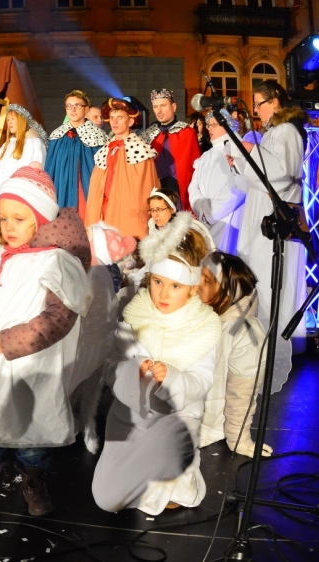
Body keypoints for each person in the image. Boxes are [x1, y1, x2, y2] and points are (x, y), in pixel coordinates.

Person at [0, 167, 92, 519]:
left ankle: (33, 480)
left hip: (34, 362)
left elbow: (60, 315)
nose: (9, 227)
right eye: (4, 219)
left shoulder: (55, 261)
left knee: (33, 425)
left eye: (19, 219)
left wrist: (12, 340)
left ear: (39, 219)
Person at [92, 214, 220, 515]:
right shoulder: (135, 314)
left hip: (177, 413)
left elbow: (201, 381)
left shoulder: (204, 327)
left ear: (192, 288)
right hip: (133, 411)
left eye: (175, 286)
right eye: (158, 281)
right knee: (108, 498)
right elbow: (111, 364)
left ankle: (177, 479)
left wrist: (171, 378)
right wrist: (130, 371)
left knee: (169, 475)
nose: (162, 293)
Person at [231, 81, 307, 351]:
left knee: (273, 279)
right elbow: (257, 179)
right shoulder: (272, 133)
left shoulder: (287, 131)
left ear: (275, 102)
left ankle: (277, 345)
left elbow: (283, 173)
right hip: (259, 214)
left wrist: (251, 152)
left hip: (275, 220)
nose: (256, 110)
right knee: (258, 275)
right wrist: (240, 165)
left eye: (259, 104)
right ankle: (261, 341)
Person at [198, 251, 284, 457]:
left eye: (207, 280)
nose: (197, 284)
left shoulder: (244, 332)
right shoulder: (201, 315)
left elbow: (242, 392)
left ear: (228, 292)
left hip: (204, 427)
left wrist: (239, 440)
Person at [85, 98, 160, 239]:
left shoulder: (140, 151)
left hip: (126, 211)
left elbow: (145, 189)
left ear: (130, 122)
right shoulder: (105, 150)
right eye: (112, 118)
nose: (114, 122)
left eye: (120, 117)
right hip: (104, 209)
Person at [188, 111, 247, 254]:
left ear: (227, 125)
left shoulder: (238, 150)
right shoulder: (206, 155)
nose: (209, 128)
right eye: (208, 125)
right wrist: (200, 207)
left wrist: (212, 211)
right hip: (205, 218)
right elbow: (193, 186)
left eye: (214, 124)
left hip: (229, 217)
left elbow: (241, 186)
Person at [44, 91, 107, 218]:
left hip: (87, 189)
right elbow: (50, 168)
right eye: (69, 106)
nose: (73, 109)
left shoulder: (98, 136)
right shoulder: (57, 135)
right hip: (62, 188)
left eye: (77, 105)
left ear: (86, 109)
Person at [144, 89, 201, 211]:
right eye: (155, 107)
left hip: (179, 190)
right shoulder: (148, 134)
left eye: (163, 105)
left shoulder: (187, 133)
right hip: (156, 188)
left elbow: (195, 167)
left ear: (174, 107)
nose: (159, 110)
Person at [0, 104, 47, 199]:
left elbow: (37, 171)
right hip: (2, 196)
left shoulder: (34, 142)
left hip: (23, 196)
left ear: (21, 120)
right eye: (8, 120)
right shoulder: (6, 145)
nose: (9, 122)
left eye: (13, 119)